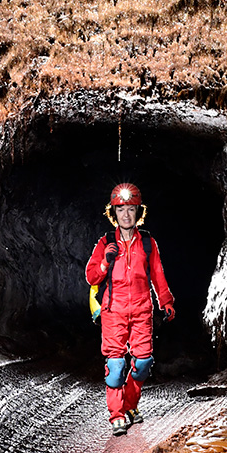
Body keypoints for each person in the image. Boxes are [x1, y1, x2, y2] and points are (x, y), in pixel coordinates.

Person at [86, 182, 176, 436]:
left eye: (131, 209)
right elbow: (91, 277)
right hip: (113, 311)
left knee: (144, 363)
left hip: (141, 310)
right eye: (121, 209)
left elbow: (158, 275)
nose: (126, 215)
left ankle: (129, 406)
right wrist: (105, 263)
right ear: (113, 213)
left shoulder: (148, 243)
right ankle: (117, 415)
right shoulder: (105, 243)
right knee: (115, 368)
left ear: (139, 212)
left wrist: (165, 301)